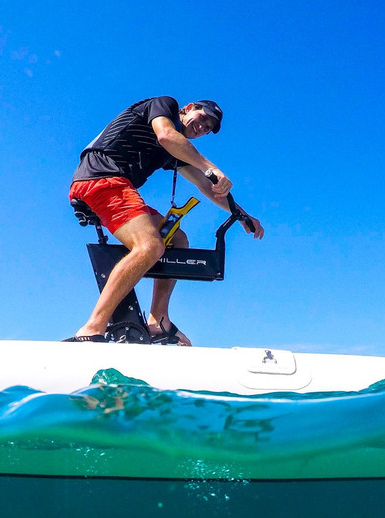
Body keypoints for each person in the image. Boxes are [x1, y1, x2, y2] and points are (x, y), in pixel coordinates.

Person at [67, 97, 264, 345]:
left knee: (178, 240)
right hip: (101, 178)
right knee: (149, 246)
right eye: (203, 118)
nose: (202, 127)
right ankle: (92, 328)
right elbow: (166, 136)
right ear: (188, 108)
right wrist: (210, 167)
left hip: (115, 185)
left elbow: (206, 185)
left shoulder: (176, 152)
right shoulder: (164, 105)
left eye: (208, 128)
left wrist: (241, 214)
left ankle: (158, 321)